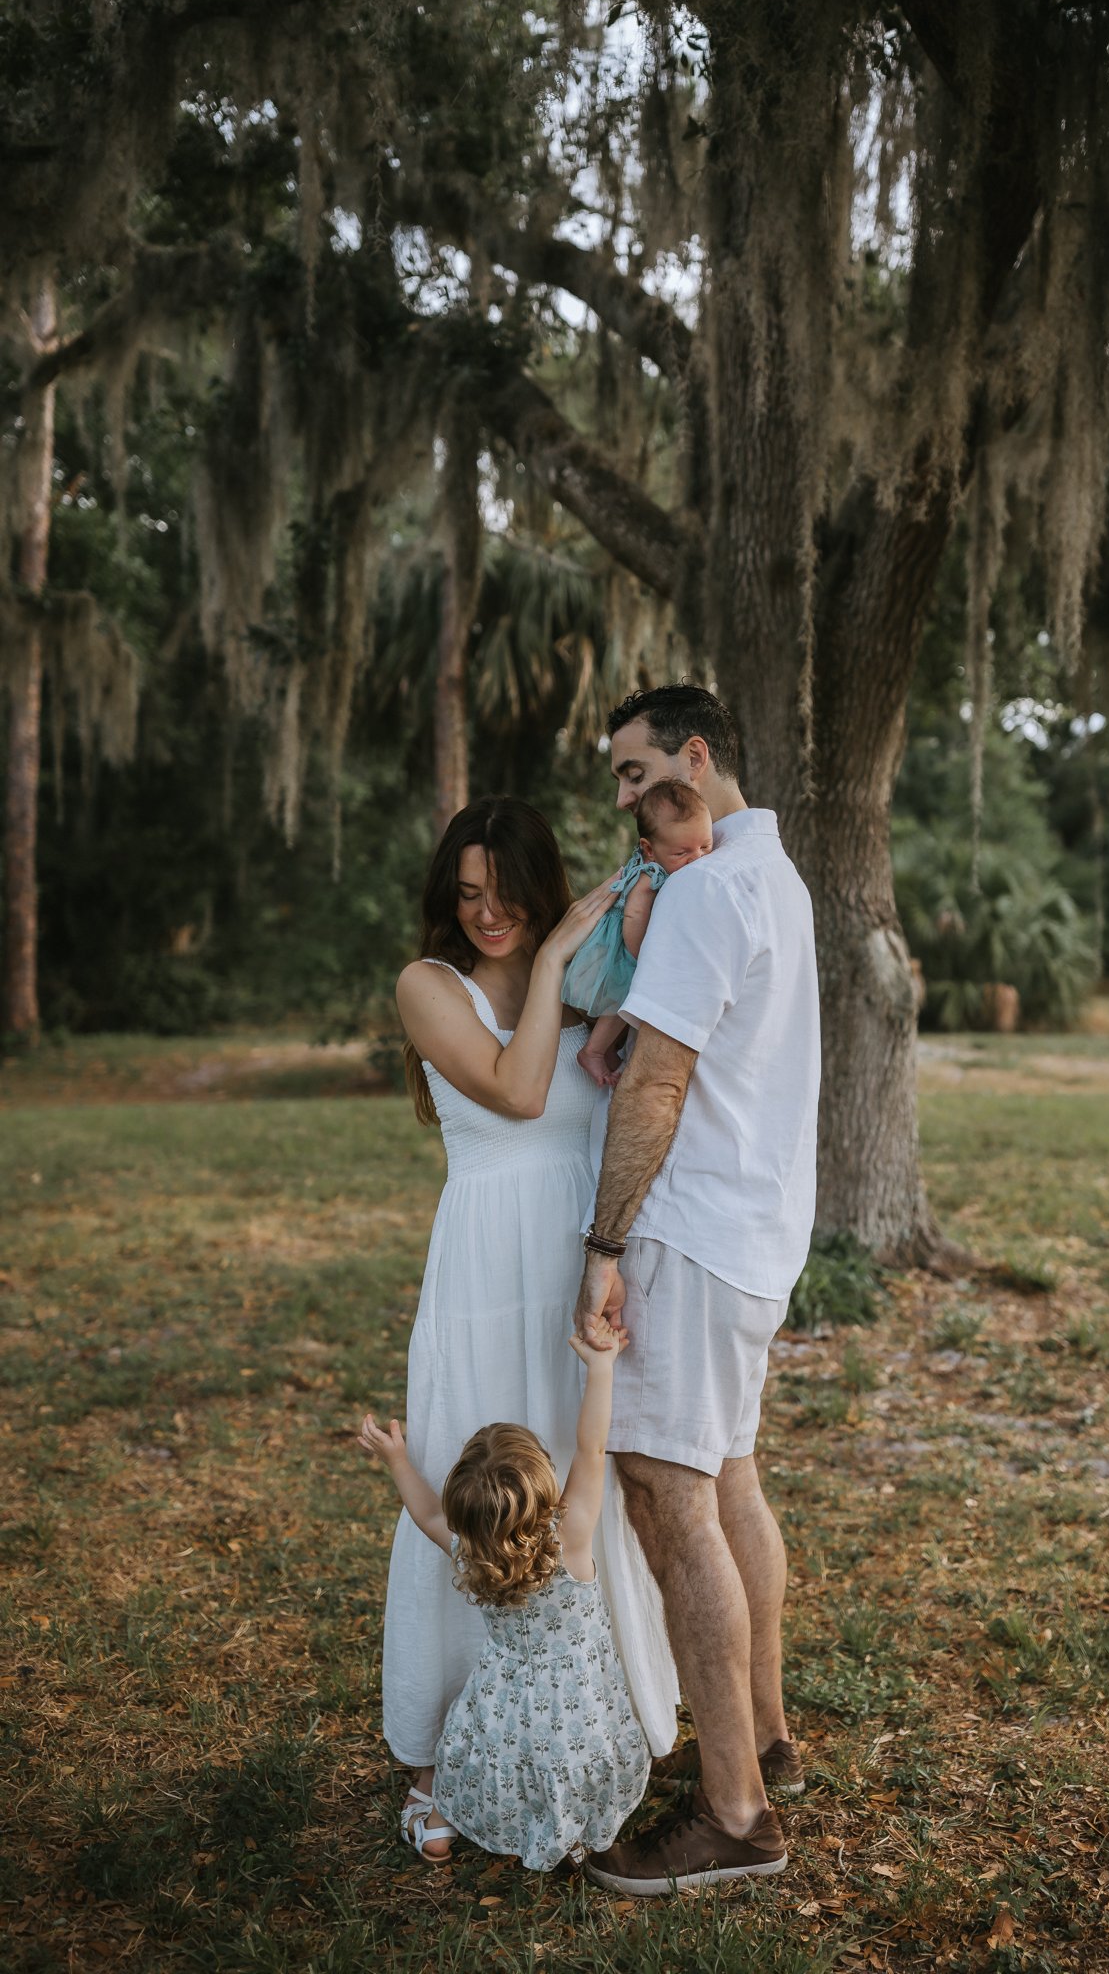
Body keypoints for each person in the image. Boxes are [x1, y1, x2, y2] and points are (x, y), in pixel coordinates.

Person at [384, 796, 677, 1859]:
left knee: (580, 1471)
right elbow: (515, 1091)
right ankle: (434, 1756)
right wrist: (555, 953)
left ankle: (602, 1722)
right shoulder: (431, 985)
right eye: (466, 896)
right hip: (482, 1260)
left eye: (505, 895)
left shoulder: (592, 970)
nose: (486, 915)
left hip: (575, 1246)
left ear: (536, 882)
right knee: (470, 1465)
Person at [574, 686, 820, 1896]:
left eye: (636, 773)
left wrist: (604, 1243)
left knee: (670, 1498)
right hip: (761, 1233)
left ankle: (734, 1814)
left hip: (690, 1230)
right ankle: (764, 1734)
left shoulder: (710, 890)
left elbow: (655, 1090)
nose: (624, 799)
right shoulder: (773, 875)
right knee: (728, 1475)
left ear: (699, 755)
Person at [357, 1324, 651, 1871]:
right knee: (573, 1759)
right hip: (578, 1704)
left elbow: (424, 1512)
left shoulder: (469, 1550)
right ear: (545, 1482)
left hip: (500, 1707)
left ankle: (438, 1830)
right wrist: (602, 1367)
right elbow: (592, 1446)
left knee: (490, 1765)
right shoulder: (572, 1536)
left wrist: (397, 1459)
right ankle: (579, 1831)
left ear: (464, 1511)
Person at [564, 779, 714, 1089]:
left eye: (706, 846)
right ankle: (592, 1051)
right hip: (624, 944)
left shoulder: (665, 861)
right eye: (683, 852)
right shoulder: (652, 872)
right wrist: (637, 957)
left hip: (623, 942)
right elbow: (633, 912)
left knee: (619, 1004)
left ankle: (605, 1051)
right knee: (624, 999)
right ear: (649, 848)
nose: (698, 859)